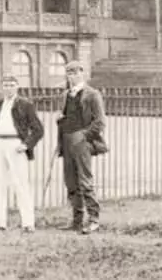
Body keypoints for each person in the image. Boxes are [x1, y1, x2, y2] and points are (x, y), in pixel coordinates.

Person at [0, 74, 44, 233]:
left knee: (21, 184)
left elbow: (38, 130)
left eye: (11, 84)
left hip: (16, 145)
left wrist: (26, 145)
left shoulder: (25, 105)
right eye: (5, 85)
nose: (8, 88)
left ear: (17, 86)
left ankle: (28, 222)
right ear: (1, 87)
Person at [57, 61, 108, 234]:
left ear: (82, 73)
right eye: (69, 73)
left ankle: (94, 219)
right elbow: (64, 117)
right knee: (70, 182)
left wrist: (84, 136)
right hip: (66, 140)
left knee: (85, 181)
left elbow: (100, 122)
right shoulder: (65, 95)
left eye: (75, 72)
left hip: (82, 141)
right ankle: (77, 220)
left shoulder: (92, 94)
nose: (72, 76)